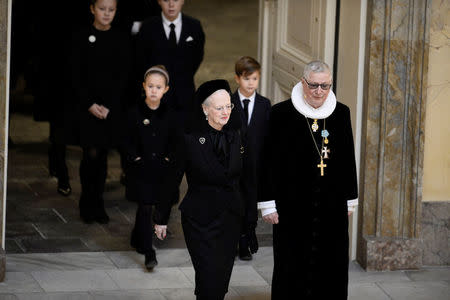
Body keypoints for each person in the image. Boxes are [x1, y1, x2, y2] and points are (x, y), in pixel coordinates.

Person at [258, 60, 358, 299]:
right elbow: (268, 160)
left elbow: (347, 157)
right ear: (303, 82)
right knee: (291, 263)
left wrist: (350, 199)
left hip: (331, 204)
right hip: (292, 205)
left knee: (331, 263)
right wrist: (267, 203)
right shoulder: (281, 113)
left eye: (325, 86)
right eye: (313, 85)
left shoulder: (341, 112)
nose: (319, 92)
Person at [154, 80, 244, 300]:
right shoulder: (189, 140)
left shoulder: (237, 136)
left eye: (228, 106)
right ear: (205, 109)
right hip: (200, 221)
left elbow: (247, 180)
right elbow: (171, 180)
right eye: (219, 107)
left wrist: (249, 222)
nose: (226, 112)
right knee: (208, 279)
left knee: (220, 282)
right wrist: (161, 218)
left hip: (230, 219)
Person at [65, 0, 132, 224]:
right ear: (92, 8)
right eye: (102, 9)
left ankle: (98, 202)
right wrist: (89, 104)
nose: (106, 14)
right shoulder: (81, 37)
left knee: (102, 156)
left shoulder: (121, 39)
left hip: (109, 108)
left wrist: (109, 106)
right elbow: (75, 74)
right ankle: (87, 201)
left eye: (111, 10)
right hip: (87, 108)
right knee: (90, 153)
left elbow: (123, 77)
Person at [123, 65, 174, 270]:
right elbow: (126, 139)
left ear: (166, 89)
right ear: (144, 86)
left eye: (158, 87)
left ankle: (137, 237)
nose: (154, 90)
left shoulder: (170, 115)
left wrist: (169, 159)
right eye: (150, 86)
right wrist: (134, 158)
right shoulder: (134, 112)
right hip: (141, 170)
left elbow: (175, 141)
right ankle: (148, 251)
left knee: (155, 205)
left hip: (161, 170)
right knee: (145, 207)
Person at [231, 56, 271, 260]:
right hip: (233, 164)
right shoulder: (228, 102)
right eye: (246, 79)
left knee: (250, 202)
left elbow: (267, 135)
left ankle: (248, 237)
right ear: (238, 78)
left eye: (254, 79)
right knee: (235, 201)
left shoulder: (264, 104)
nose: (250, 83)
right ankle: (235, 238)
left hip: (255, 163)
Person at [135, 0, 205, 113]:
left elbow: (197, 57)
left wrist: (183, 77)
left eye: (176, 0)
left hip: (185, 94)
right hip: (157, 96)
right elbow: (141, 59)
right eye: (166, 0)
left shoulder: (194, 26)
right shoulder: (148, 27)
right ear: (158, 1)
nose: (171, 5)